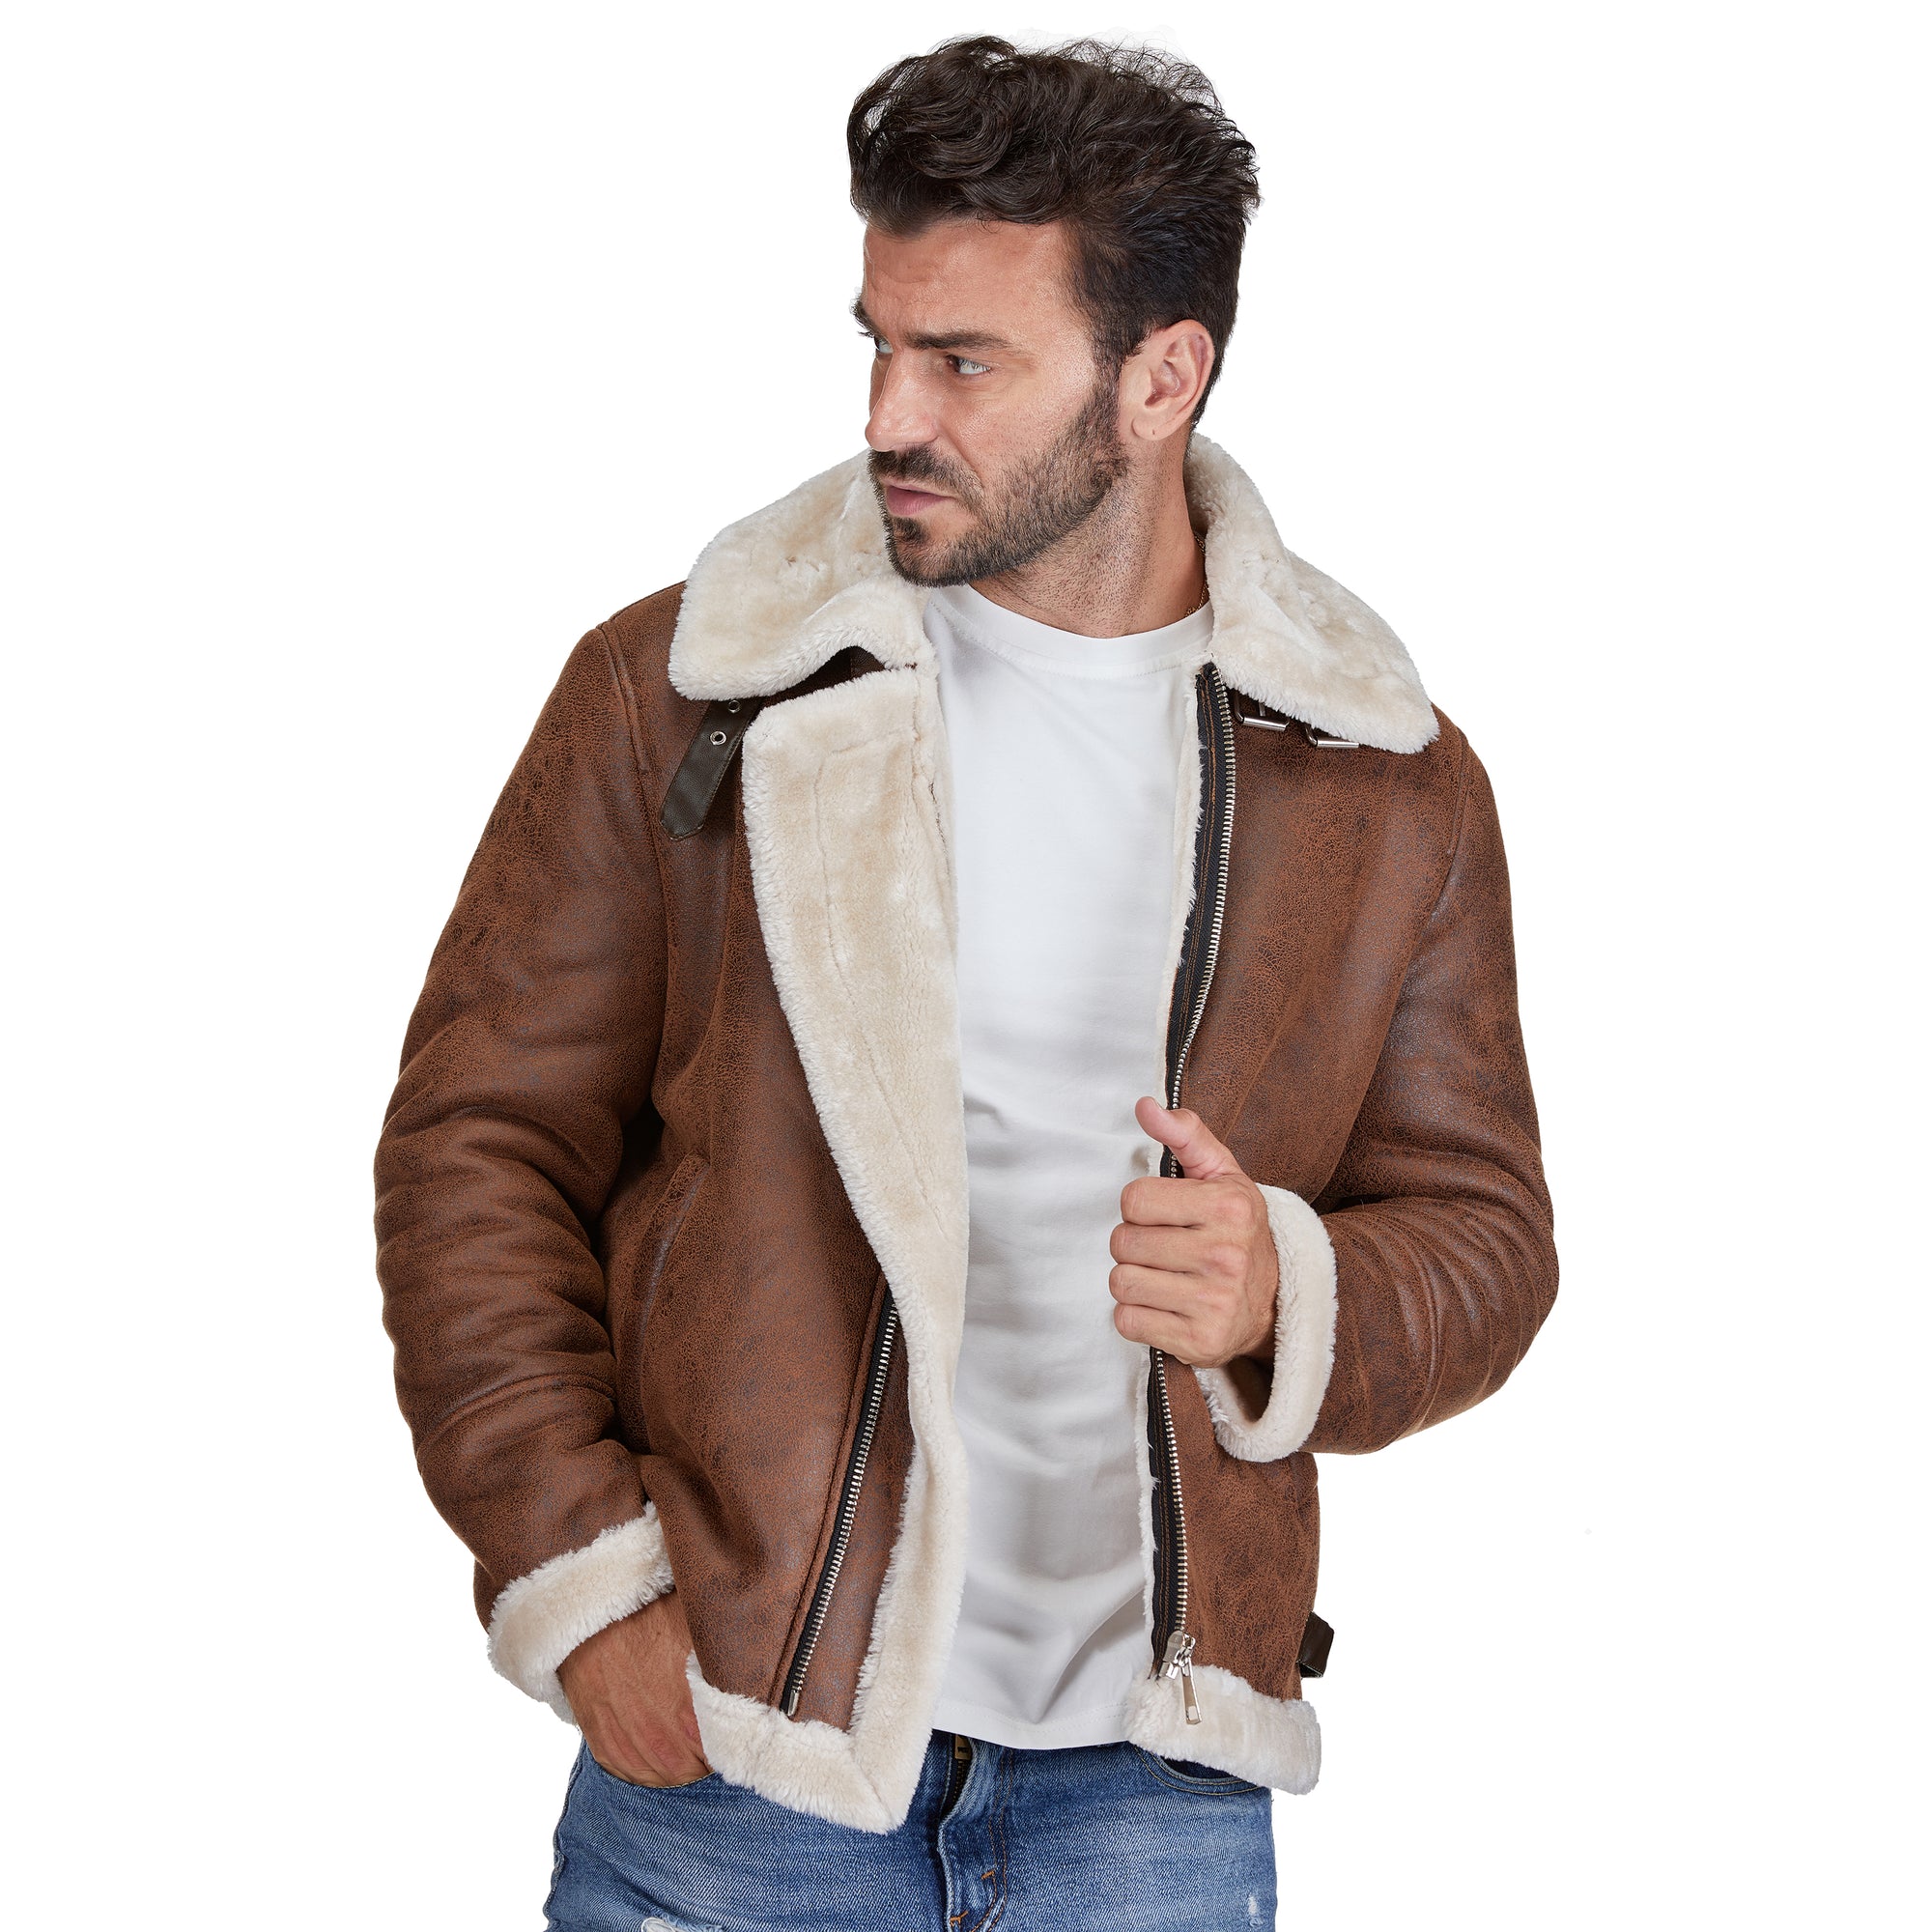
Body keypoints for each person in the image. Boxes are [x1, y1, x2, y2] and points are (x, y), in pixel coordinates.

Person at [375, 36, 1557, 1931]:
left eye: (966, 362)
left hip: (1153, 1800)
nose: (890, 414)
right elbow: (479, 1146)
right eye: (879, 344)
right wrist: (585, 1584)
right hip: (743, 1766)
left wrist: (1287, 1285)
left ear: (1161, 377)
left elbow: (1486, 1233)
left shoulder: (1375, 772)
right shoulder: (691, 691)